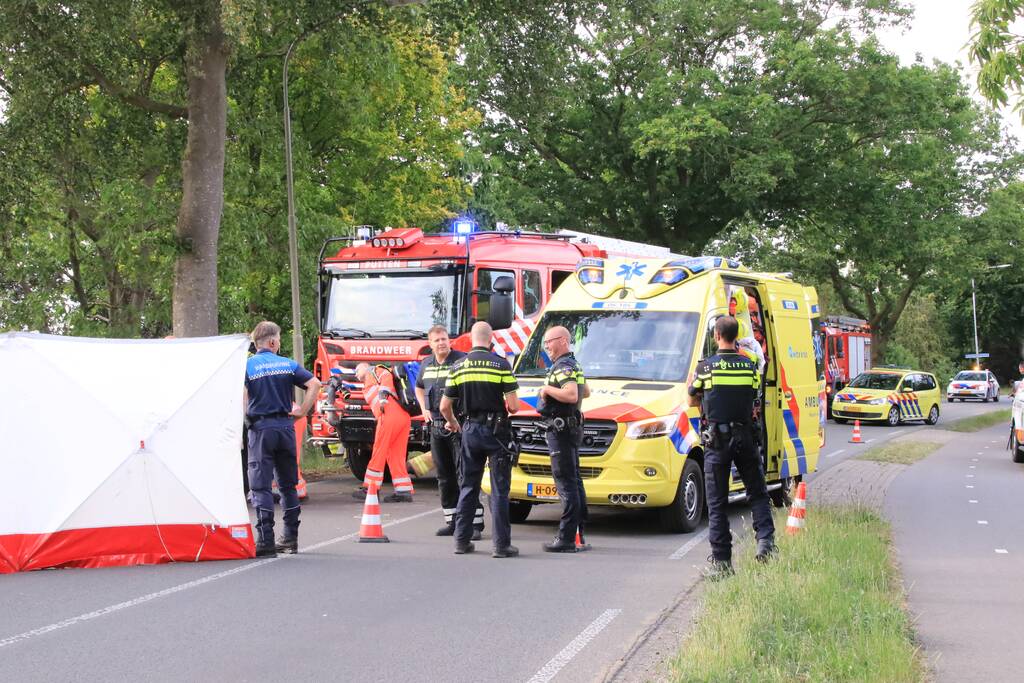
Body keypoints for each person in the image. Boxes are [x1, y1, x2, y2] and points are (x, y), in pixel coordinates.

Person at [688, 316, 775, 578]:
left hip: (717, 440)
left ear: (716, 335)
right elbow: (754, 396)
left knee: (717, 502)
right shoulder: (749, 367)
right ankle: (766, 543)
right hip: (745, 437)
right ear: (736, 336)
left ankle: (723, 563)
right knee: (757, 492)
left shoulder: (706, 368)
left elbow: (692, 399)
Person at [440, 321, 521, 558]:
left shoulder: (458, 366)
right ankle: (501, 546)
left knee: (468, 486)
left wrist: (453, 422)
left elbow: (444, 406)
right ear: (491, 339)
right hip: (497, 433)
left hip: (470, 430)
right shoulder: (501, 364)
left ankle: (461, 541)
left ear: (471, 339)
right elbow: (514, 407)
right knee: (499, 490)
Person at [244, 321, 321, 557]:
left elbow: (241, 397)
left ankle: (265, 540)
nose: (279, 343)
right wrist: (303, 411)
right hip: (286, 428)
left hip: (261, 429)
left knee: (261, 486)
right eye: (278, 339)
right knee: (288, 485)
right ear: (272, 342)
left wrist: (246, 420)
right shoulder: (287, 364)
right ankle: (290, 538)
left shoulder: (247, 366)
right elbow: (314, 384)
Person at [414, 325, 484, 539]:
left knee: (465, 474)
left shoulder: (462, 360)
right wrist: (423, 408)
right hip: (436, 426)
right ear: (430, 344)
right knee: (444, 476)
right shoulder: (426, 364)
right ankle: (452, 521)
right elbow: (419, 387)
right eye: (437, 340)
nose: (441, 343)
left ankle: (474, 523)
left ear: (449, 340)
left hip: (459, 426)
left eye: (444, 339)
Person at [537, 326, 592, 553]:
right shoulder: (573, 364)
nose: (546, 347)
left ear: (562, 341)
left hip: (561, 432)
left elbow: (572, 394)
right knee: (574, 481)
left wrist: (547, 390)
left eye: (549, 342)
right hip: (569, 429)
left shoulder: (563, 366)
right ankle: (578, 535)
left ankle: (566, 539)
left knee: (566, 483)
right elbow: (585, 391)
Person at [354, 362, 415, 502]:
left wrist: (382, 397)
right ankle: (403, 491)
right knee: (396, 454)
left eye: (357, 370)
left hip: (389, 415)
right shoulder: (369, 381)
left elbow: (386, 375)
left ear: (365, 366)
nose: (355, 374)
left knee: (379, 451)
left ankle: (370, 489)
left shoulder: (374, 370)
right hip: (402, 417)